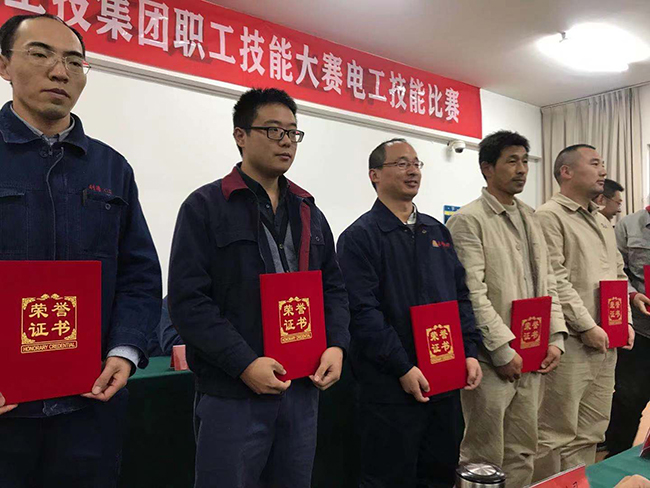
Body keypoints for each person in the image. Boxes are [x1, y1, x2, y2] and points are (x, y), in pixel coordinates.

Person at [0, 13, 162, 487]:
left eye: (74, 61)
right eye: (40, 54)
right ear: (4, 65)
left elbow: (139, 273)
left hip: (89, 407)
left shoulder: (111, 168)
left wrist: (125, 349)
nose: (60, 71)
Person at [168, 88, 350, 488]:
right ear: (240, 135)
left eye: (293, 132)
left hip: (301, 388)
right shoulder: (205, 207)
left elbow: (333, 289)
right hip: (234, 392)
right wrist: (244, 364)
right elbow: (187, 302)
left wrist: (337, 344)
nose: (285, 141)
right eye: (272, 130)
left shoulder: (309, 211)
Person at [337, 138, 482, 487]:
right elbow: (362, 312)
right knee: (389, 478)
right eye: (401, 163)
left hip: (444, 380)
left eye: (417, 163)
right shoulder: (360, 236)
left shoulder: (437, 231)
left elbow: (460, 296)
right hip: (389, 388)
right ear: (374, 175)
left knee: (440, 472)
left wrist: (469, 350)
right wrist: (401, 366)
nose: (413, 170)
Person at [447, 130, 567, 487]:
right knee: (483, 456)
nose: (522, 169)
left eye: (525, 161)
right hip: (491, 361)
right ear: (487, 168)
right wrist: (502, 349)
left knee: (523, 451)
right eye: (512, 161)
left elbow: (549, 281)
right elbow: (472, 293)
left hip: (532, 353)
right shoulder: (469, 220)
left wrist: (556, 337)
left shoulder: (532, 217)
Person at [533, 144, 640, 480]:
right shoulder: (549, 217)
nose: (603, 171)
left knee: (592, 430)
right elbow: (554, 279)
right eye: (594, 163)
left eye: (602, 163)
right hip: (573, 343)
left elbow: (619, 274)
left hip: (607, 342)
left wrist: (625, 321)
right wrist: (586, 326)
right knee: (555, 433)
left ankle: (579, 483)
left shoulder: (601, 221)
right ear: (566, 172)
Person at [605, 205, 650, 456]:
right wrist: (632, 295)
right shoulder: (628, 226)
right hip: (641, 332)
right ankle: (616, 459)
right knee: (628, 401)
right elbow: (617, 271)